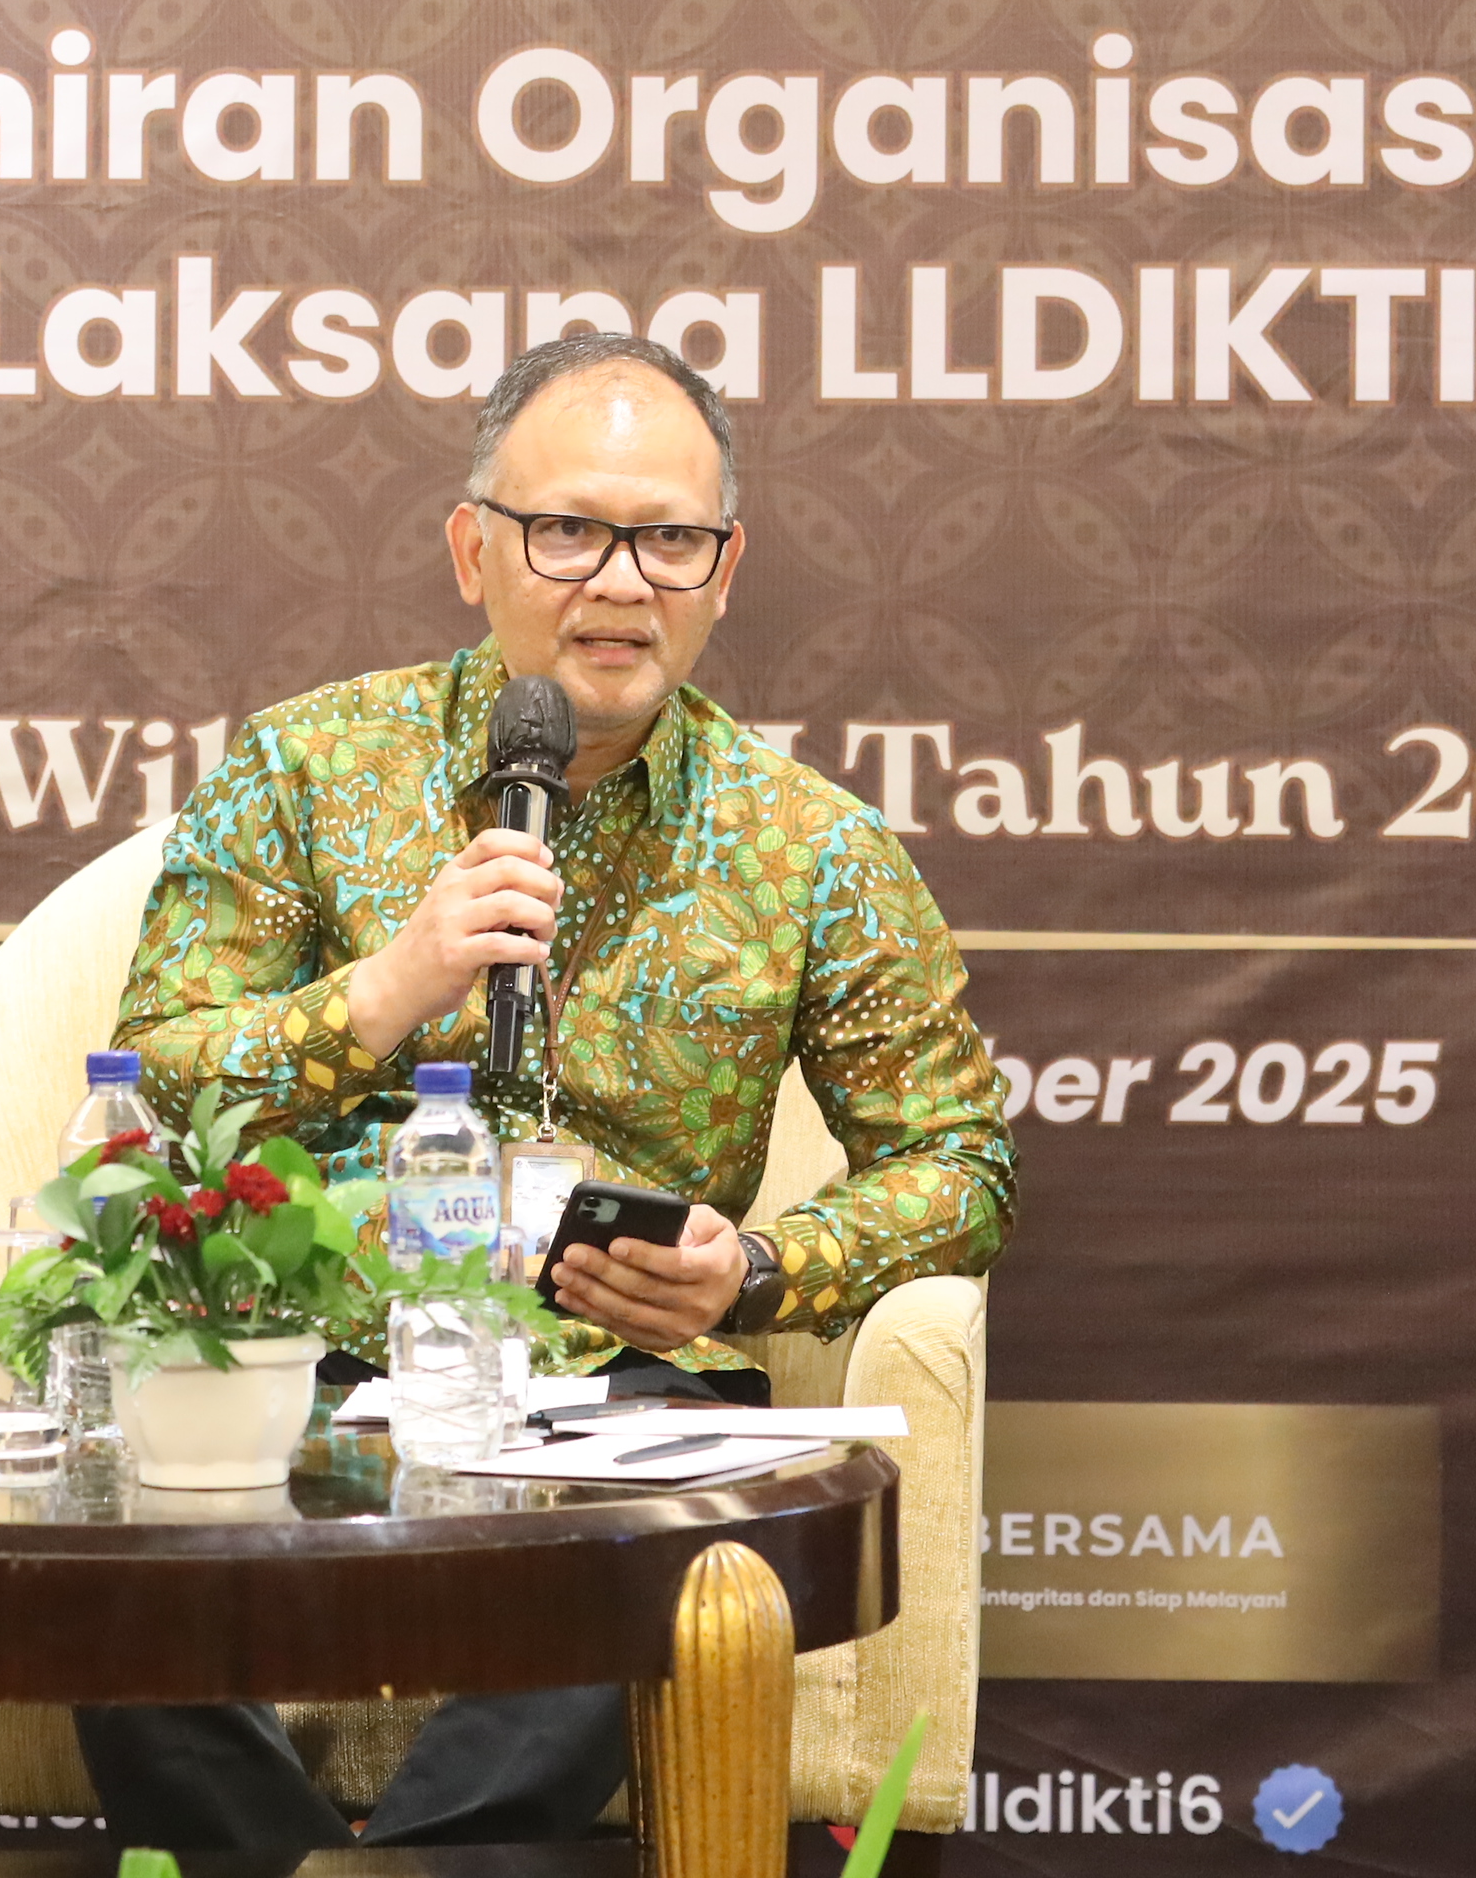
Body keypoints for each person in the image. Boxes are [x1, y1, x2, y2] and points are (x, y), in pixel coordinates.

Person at [77, 329, 1016, 1850]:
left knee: (632, 1566)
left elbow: (961, 1163)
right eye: (569, 530)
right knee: (111, 1560)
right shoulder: (307, 769)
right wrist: (386, 990)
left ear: (727, 570)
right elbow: (155, 1090)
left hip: (611, 1398)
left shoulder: (813, 849)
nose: (621, 582)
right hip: (295, 1360)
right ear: (474, 550)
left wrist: (758, 1270)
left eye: (671, 540)